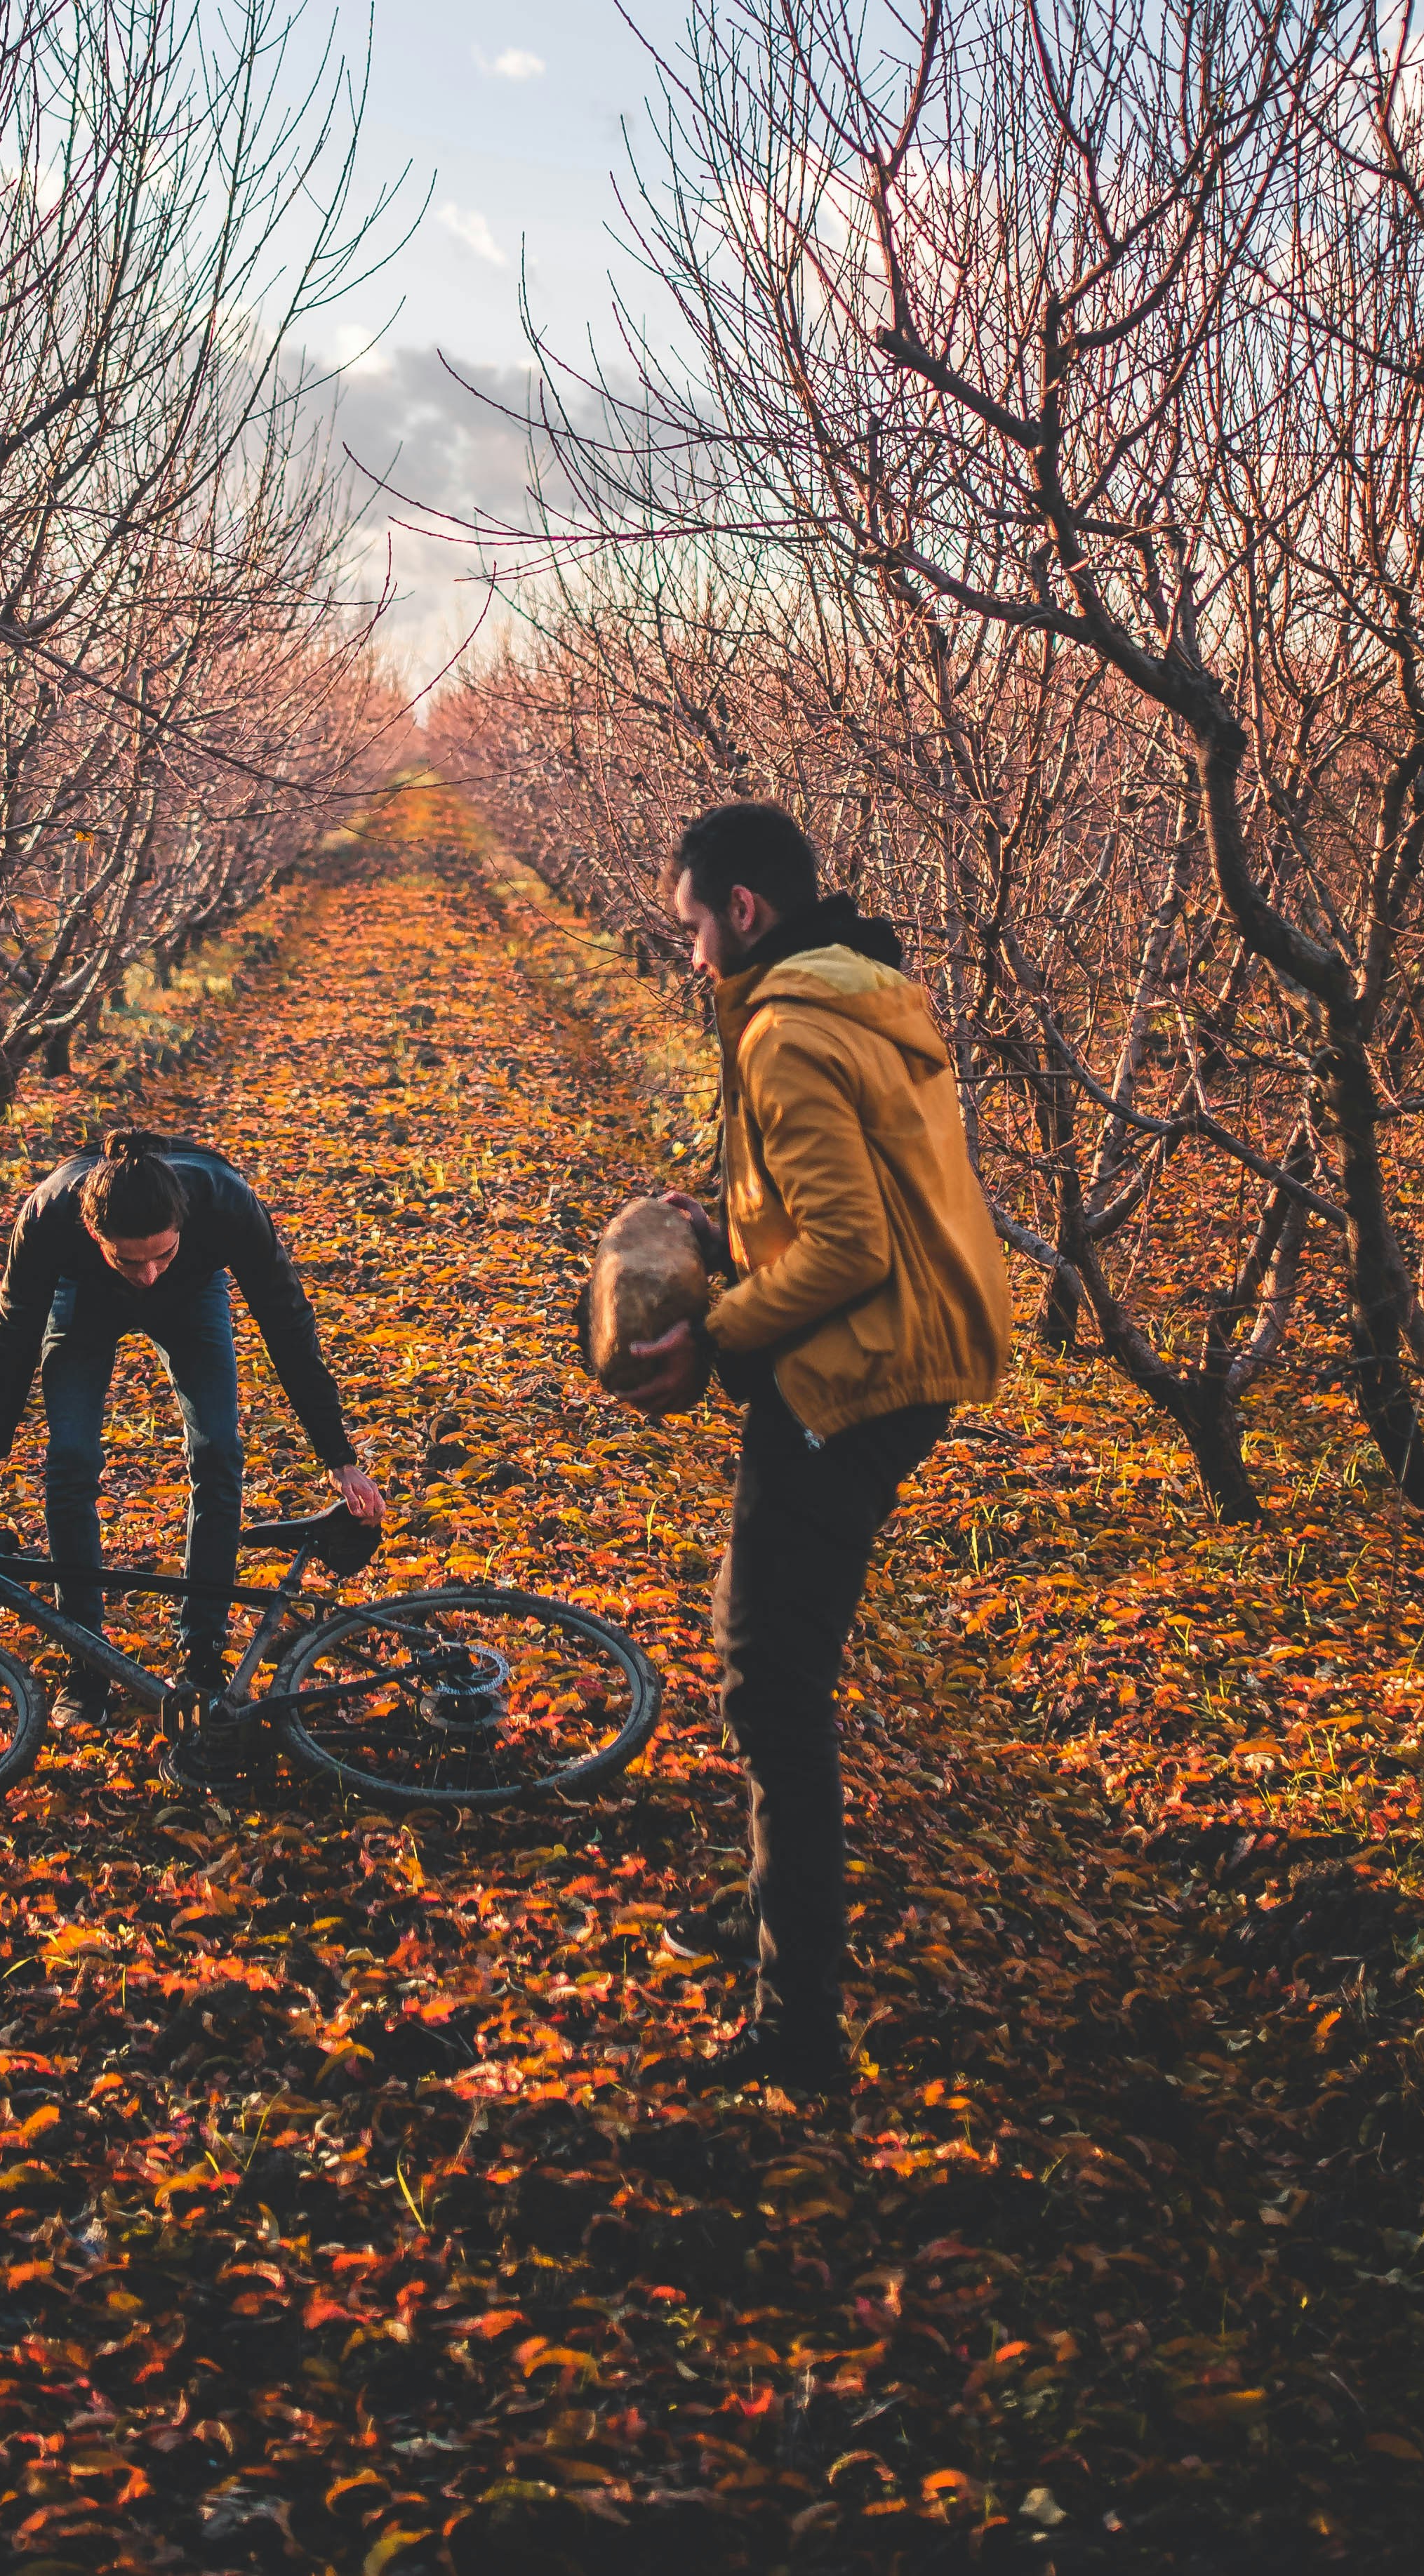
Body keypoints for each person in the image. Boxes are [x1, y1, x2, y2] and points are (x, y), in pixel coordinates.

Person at [613, 802, 1012, 2101]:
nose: (685, 958)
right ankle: (775, 1903)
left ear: (742, 912)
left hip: (853, 1372)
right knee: (754, 1631)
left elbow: (848, 1251)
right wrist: (721, 1224)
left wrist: (717, 1337)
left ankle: (798, 2021)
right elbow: (846, 1200)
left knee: (770, 1688)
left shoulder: (785, 1029)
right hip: (909, 1358)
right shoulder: (866, 995)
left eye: (688, 928)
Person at [0, 1131, 384, 1711]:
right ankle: (87, 1662)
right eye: (130, 1258)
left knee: (219, 1453)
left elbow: (288, 1326)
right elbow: (11, 1343)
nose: (148, 1274)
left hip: (195, 1297)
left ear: (183, 1225)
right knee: (70, 1460)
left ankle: (201, 1653)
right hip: (83, 1298)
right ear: (93, 1232)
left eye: (162, 1254)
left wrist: (339, 1457)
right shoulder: (50, 1215)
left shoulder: (226, 1204)